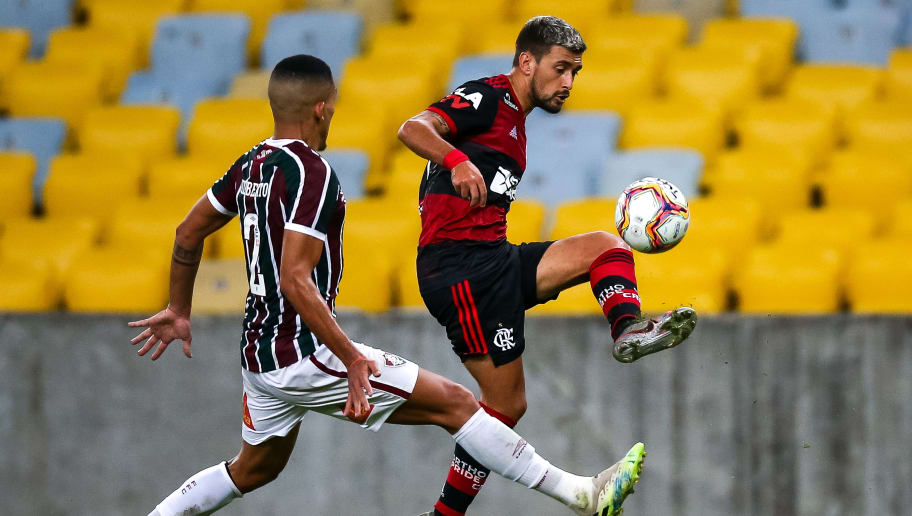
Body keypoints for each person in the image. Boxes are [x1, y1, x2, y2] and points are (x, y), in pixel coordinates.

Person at [128, 54, 645, 516]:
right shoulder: (313, 173)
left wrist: (179, 307)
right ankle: (581, 495)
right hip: (308, 352)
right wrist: (351, 358)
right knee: (461, 405)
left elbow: (187, 232)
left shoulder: (251, 164)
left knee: (253, 470)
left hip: (260, 356)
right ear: (323, 108)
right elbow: (294, 279)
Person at [397, 16, 697, 516]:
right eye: (560, 70)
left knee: (606, 247)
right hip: (459, 271)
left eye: (575, 72)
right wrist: (456, 161)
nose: (568, 83)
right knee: (501, 407)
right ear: (526, 62)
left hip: (494, 257)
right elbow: (412, 128)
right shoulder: (488, 98)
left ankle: (627, 328)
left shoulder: (516, 119)